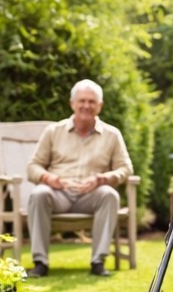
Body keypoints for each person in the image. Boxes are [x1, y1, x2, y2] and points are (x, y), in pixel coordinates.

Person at [26, 79, 133, 278]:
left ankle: (98, 261)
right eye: (82, 100)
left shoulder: (112, 134)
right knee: (39, 193)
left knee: (109, 194)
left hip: (91, 195)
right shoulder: (53, 131)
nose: (86, 106)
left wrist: (102, 178)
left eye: (92, 102)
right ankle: (40, 262)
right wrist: (50, 179)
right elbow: (33, 166)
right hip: (58, 193)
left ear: (99, 106)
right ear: (72, 103)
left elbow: (125, 168)